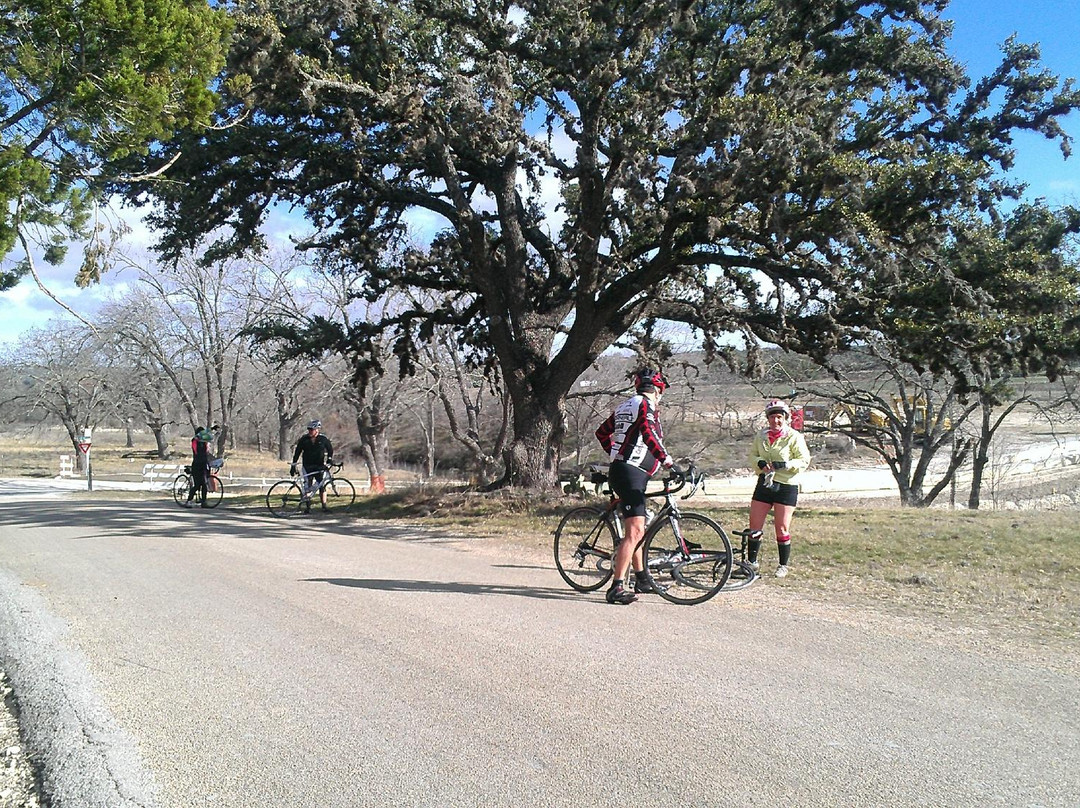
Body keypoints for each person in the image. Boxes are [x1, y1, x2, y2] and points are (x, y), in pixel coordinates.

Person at [595, 369, 676, 605]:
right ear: (658, 390)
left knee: (638, 528)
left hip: (628, 471)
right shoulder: (645, 405)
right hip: (630, 472)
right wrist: (666, 459)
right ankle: (616, 587)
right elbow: (648, 432)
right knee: (634, 532)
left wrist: (614, 453)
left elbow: (602, 433)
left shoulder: (624, 405)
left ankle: (642, 579)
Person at [747, 399, 811, 578]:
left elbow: (804, 460)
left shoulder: (794, 437)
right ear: (767, 418)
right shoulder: (761, 436)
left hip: (786, 485)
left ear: (785, 418)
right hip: (765, 483)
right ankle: (751, 563)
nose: (776, 421)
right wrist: (759, 463)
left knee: (781, 527)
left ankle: (783, 565)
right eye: (772, 417)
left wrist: (786, 464)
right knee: (754, 525)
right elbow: (753, 455)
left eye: (779, 417)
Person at [291, 419, 334, 513]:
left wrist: (329, 460)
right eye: (309, 429)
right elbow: (297, 452)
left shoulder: (323, 439)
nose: (310, 431)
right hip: (307, 466)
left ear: (317, 430)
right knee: (307, 486)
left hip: (319, 466)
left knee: (321, 486)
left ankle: (324, 506)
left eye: (311, 429)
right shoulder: (304, 439)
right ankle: (307, 508)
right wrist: (293, 465)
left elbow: (330, 450)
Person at [185, 426, 216, 508]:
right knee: (197, 485)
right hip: (197, 465)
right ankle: (189, 501)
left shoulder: (204, 442)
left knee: (204, 484)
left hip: (203, 464)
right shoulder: (194, 441)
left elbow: (207, 453)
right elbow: (196, 452)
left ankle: (204, 502)